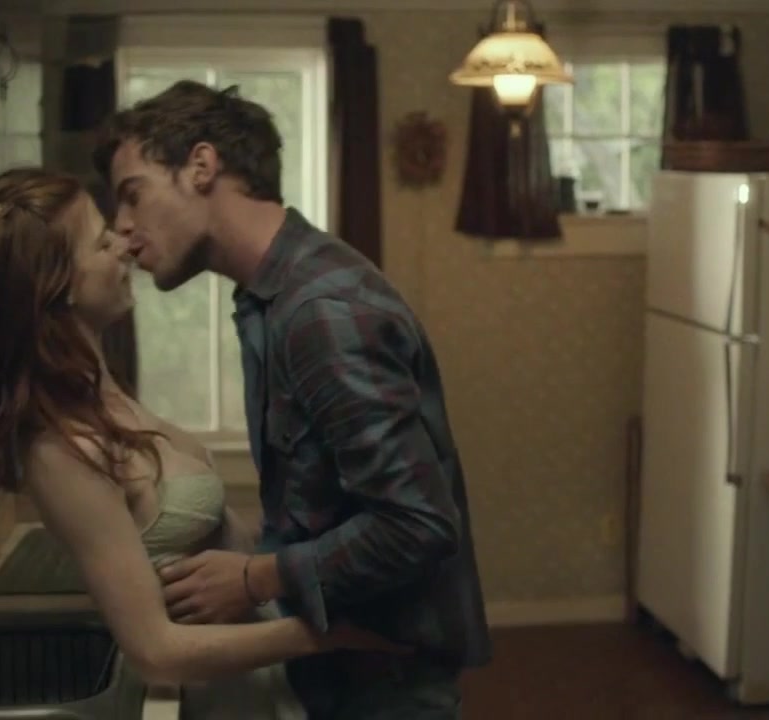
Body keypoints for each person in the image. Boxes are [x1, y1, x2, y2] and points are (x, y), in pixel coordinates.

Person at [0, 167, 395, 709]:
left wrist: (330, 554)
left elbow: (225, 543)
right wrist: (327, 635)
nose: (124, 246)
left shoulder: (103, 396)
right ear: (58, 286)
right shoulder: (62, 451)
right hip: (216, 699)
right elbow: (156, 652)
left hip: (258, 681)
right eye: (102, 243)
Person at [93, 80, 492, 719]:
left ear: (201, 166)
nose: (121, 226)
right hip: (340, 668)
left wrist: (255, 578)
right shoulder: (269, 299)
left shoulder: (320, 312)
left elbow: (417, 524)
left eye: (132, 194)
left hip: (384, 683)